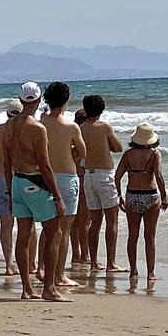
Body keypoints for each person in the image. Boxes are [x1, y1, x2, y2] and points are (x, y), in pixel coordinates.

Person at [3, 81, 70, 302]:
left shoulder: (9, 126)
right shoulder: (37, 128)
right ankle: (49, 287)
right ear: (39, 100)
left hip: (16, 181)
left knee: (23, 235)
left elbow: (6, 160)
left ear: (21, 100)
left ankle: (26, 288)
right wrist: (58, 196)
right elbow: (45, 165)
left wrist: (10, 191)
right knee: (54, 232)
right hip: (33, 181)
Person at [0, 99, 39, 275]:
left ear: (7, 113)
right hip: (24, 177)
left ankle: (9, 265)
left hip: (1, 178)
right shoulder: (30, 128)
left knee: (6, 224)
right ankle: (31, 264)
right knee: (29, 223)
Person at [38, 82, 86, 287]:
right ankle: (59, 274)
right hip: (66, 176)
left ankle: (41, 267)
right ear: (65, 101)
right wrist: (71, 153)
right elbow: (82, 153)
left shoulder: (40, 122)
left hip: (43, 176)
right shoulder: (70, 126)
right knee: (64, 230)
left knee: (47, 227)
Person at [115, 123, 168, 280]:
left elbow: (117, 177)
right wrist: (164, 197)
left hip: (132, 196)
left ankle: (133, 271)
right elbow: (158, 176)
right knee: (149, 236)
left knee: (133, 235)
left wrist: (119, 196)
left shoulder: (128, 155)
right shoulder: (155, 154)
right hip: (150, 196)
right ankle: (151, 273)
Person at [80, 95, 126, 272]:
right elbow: (118, 147)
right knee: (111, 221)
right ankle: (111, 263)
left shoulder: (80, 128)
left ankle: (93, 262)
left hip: (88, 175)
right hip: (104, 174)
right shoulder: (104, 127)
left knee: (95, 221)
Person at [70, 108, 90, 264]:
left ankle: (76, 254)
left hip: (73, 177)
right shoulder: (87, 138)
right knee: (85, 221)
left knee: (75, 221)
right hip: (84, 177)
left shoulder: (73, 136)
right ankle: (85, 255)